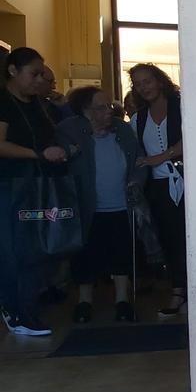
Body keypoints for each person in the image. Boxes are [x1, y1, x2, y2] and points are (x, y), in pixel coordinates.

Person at [57, 86, 142, 322]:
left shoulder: (122, 129)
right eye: (102, 107)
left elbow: (138, 161)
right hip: (87, 207)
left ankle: (122, 300)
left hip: (120, 205)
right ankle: (84, 302)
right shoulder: (69, 130)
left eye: (110, 106)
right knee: (85, 255)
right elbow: (59, 160)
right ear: (86, 111)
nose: (109, 111)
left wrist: (135, 182)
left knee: (121, 253)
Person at [0, 47, 68, 336]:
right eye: (34, 73)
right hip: (10, 184)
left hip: (36, 184)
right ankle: (16, 311)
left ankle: (25, 309)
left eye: (42, 74)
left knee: (35, 248)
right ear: (13, 71)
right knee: (15, 250)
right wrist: (37, 154)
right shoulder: (3, 102)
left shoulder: (37, 104)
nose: (39, 79)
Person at [127, 63, 186, 317]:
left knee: (191, 238)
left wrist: (161, 156)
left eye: (147, 81)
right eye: (138, 84)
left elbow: (194, 137)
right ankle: (178, 291)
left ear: (160, 80)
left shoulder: (182, 105)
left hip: (189, 183)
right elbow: (137, 154)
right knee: (170, 240)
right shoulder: (138, 119)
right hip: (160, 187)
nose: (144, 87)